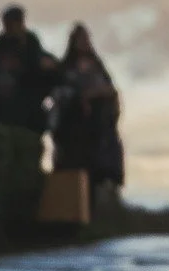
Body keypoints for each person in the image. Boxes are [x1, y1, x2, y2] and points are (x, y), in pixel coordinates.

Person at [50, 23, 124, 213]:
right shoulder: (66, 68)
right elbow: (60, 93)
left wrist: (95, 95)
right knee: (74, 171)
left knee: (97, 173)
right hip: (74, 130)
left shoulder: (97, 66)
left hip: (97, 130)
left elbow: (110, 89)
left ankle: (97, 214)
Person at [0, 6, 56, 133]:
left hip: (27, 111)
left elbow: (40, 68)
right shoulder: (0, 45)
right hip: (2, 110)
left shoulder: (30, 43)